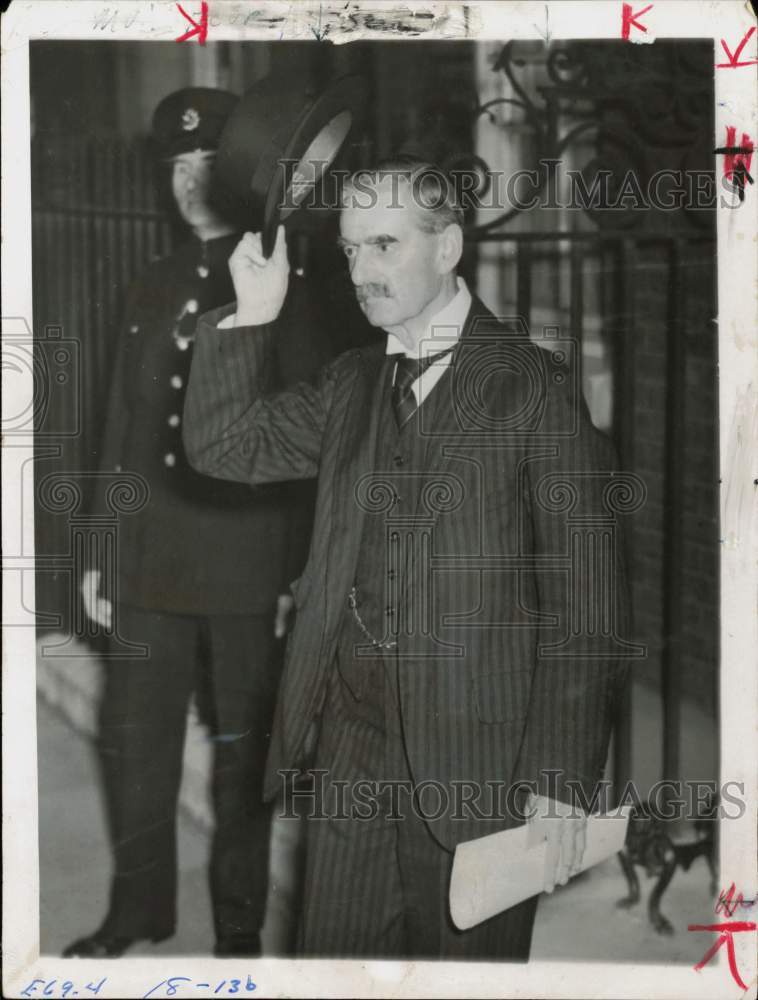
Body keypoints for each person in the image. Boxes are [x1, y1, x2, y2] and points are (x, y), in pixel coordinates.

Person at [182, 159, 632, 959]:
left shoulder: (532, 388)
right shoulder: (352, 382)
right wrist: (251, 317)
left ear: (449, 246)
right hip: (351, 746)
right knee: (336, 964)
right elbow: (226, 445)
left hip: (479, 762)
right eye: (352, 250)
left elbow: (586, 604)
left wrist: (559, 778)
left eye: (384, 245)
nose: (362, 271)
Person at [64, 87, 325, 959]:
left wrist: (299, 570)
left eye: (205, 165)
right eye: (176, 168)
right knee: (134, 739)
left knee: (242, 755)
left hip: (247, 562)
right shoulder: (154, 279)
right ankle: (138, 909)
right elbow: (122, 428)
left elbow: (303, 439)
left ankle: (241, 927)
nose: (188, 184)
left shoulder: (285, 277)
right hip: (149, 556)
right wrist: (101, 549)